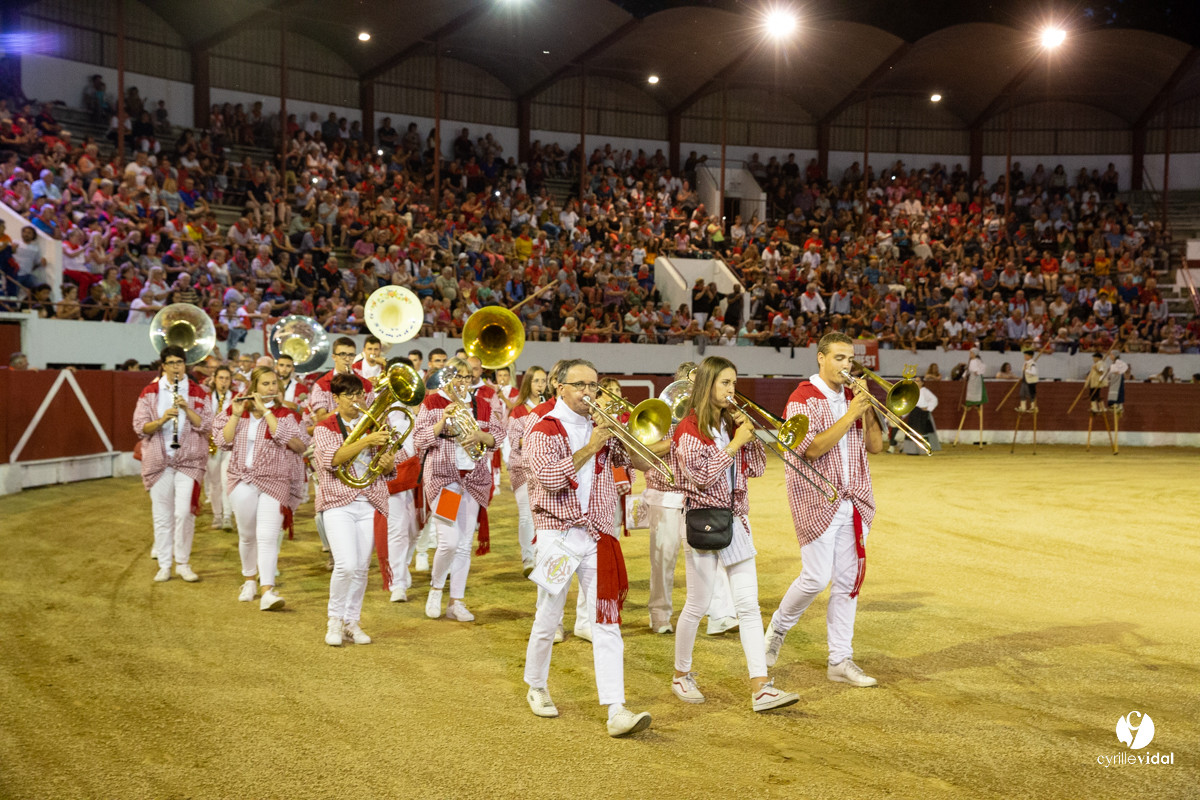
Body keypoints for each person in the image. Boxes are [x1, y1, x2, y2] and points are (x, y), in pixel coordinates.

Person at [522, 358, 653, 738]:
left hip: (596, 534)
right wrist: (592, 445)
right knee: (549, 617)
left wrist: (627, 436)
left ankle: (616, 708)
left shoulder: (601, 425)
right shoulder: (543, 426)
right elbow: (548, 479)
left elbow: (640, 463)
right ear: (560, 387)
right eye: (580, 385)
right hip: (557, 533)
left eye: (593, 385)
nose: (588, 392)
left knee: (606, 622)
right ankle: (536, 685)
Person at [669, 356, 799, 712]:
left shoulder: (730, 423)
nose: (731, 390)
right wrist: (733, 444)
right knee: (697, 605)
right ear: (707, 384)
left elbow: (755, 469)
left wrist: (750, 439)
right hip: (702, 520)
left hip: (735, 520)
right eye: (725, 383)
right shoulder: (688, 429)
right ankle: (681, 674)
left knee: (748, 606)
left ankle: (761, 687)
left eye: (734, 383)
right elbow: (701, 477)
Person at [764, 332, 884, 688]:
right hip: (818, 500)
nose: (846, 366)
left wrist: (868, 408)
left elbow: (876, 446)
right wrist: (851, 413)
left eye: (850, 360)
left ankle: (839, 660)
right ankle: (779, 626)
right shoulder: (803, 398)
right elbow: (812, 449)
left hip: (854, 498)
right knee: (816, 578)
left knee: (848, 583)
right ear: (821, 358)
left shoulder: (853, 398)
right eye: (839, 358)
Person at [645, 361, 737, 636]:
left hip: (696, 498)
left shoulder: (708, 418)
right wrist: (677, 439)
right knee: (663, 560)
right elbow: (643, 452)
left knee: (710, 552)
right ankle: (660, 616)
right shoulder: (660, 413)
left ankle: (720, 614)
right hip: (665, 494)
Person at [412, 357, 503, 622]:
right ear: (446, 378)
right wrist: (442, 421)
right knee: (449, 541)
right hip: (446, 481)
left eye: (465, 377)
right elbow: (419, 439)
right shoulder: (433, 402)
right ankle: (436, 589)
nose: (461, 382)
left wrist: (482, 437)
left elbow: (499, 435)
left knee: (463, 544)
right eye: (456, 376)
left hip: (473, 480)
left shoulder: (482, 404)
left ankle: (456, 601)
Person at [312, 373, 395, 646]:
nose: (356, 400)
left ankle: (351, 621)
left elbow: (390, 468)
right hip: (338, 502)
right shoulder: (325, 427)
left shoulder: (375, 423)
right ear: (335, 398)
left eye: (360, 394)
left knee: (360, 568)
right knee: (346, 565)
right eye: (349, 395)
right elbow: (331, 459)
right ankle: (334, 620)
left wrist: (387, 463)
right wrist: (367, 442)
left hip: (369, 500)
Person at [216, 367, 306, 611]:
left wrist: (267, 412)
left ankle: (267, 590)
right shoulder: (237, 410)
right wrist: (235, 415)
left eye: (274, 383)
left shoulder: (287, 414)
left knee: (267, 536)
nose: (271, 388)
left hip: (275, 481)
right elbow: (222, 441)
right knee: (247, 535)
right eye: (265, 384)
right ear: (253, 387)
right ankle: (249, 581)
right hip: (241, 479)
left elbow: (292, 441)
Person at [132, 346, 212, 583]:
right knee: (162, 516)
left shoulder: (198, 392)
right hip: (159, 461)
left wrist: (186, 408)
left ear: (185, 365)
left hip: (189, 461)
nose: (176, 367)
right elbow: (139, 427)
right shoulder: (150, 392)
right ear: (163, 366)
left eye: (180, 362)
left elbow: (207, 425)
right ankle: (165, 565)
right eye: (171, 363)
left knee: (184, 513)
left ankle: (183, 563)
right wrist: (162, 420)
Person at [508, 365, 548, 575]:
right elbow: (515, 440)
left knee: (543, 514)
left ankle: (541, 554)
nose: (540, 385)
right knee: (526, 514)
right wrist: (539, 436)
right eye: (536, 381)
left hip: (545, 468)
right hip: (522, 468)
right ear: (528, 383)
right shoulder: (518, 410)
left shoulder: (551, 408)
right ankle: (528, 559)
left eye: (543, 381)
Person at [205, 365, 234, 530]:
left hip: (230, 445)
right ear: (214, 380)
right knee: (214, 482)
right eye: (221, 378)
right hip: (212, 444)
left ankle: (227, 516)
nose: (224, 382)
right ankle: (217, 515)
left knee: (226, 480)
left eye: (227, 378)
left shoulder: (236, 397)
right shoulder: (206, 398)